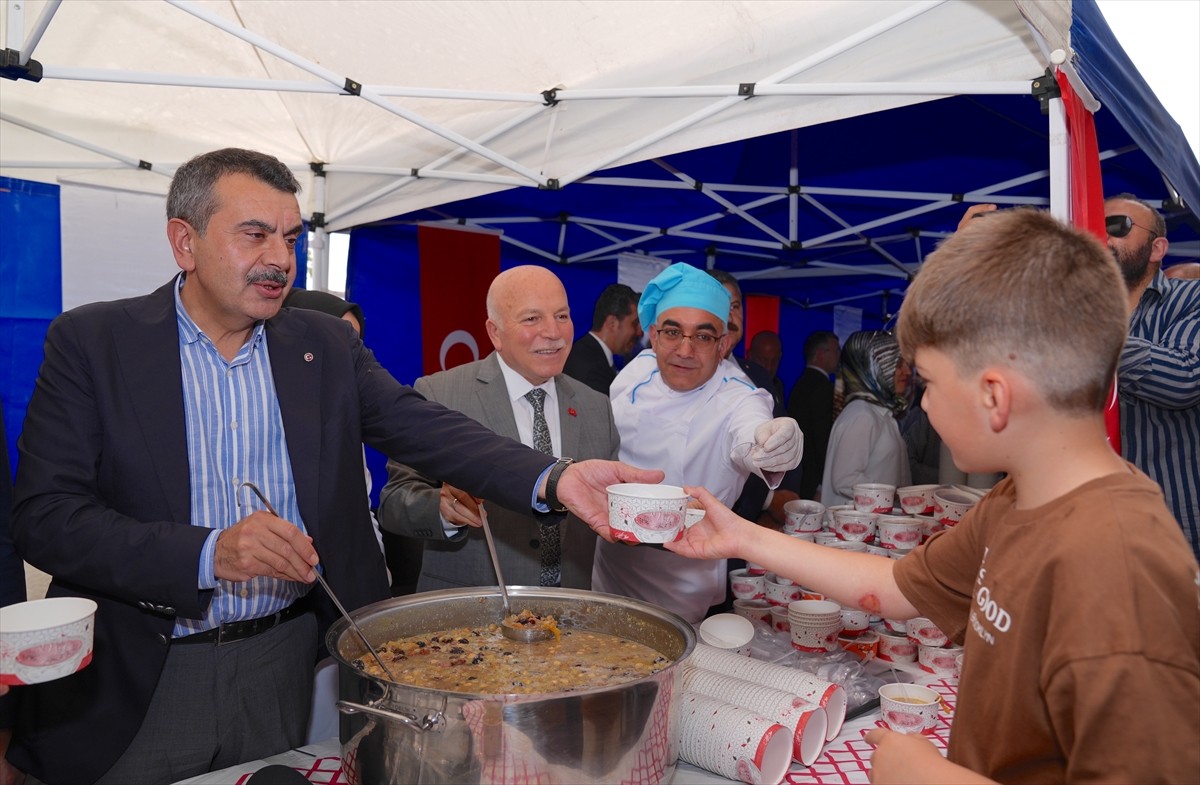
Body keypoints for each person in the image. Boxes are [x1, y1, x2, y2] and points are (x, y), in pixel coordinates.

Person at [5, 148, 659, 785]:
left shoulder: (322, 346)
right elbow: (45, 517)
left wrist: (554, 477)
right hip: (142, 675)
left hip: (279, 667)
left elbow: (426, 427)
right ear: (185, 242)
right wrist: (207, 553)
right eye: (255, 235)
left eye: (290, 238)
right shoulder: (94, 343)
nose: (279, 259)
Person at [667, 208, 1200, 784]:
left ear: (994, 395)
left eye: (930, 381)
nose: (922, 402)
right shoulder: (1016, 500)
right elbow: (896, 587)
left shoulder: (1120, 566)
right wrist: (742, 536)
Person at [377, 265, 619, 591]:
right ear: (495, 332)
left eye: (562, 316)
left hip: (570, 609)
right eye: (532, 318)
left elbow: (611, 505)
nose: (554, 332)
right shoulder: (440, 394)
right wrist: (442, 509)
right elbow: (394, 501)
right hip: (473, 607)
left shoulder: (596, 406)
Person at [591, 263, 802, 623]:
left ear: (723, 345)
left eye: (703, 337)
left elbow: (750, 435)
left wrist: (771, 444)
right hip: (610, 570)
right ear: (653, 336)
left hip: (683, 587)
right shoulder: (636, 371)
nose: (684, 350)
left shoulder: (739, 397)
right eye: (673, 332)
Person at [1104, 194, 1200, 559]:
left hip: (1173, 518)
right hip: (1089, 516)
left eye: (1117, 226)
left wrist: (1091, 328)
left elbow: (1183, 379)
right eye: (1093, 226)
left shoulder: (1191, 298)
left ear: (1157, 248)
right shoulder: (1067, 313)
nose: (1102, 237)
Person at [820, 330, 912, 507]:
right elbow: (845, 479)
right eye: (898, 364)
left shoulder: (877, 413)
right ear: (873, 368)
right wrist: (895, 494)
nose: (907, 371)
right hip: (859, 523)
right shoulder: (862, 415)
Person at [787, 330, 840, 499]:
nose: (839, 355)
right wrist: (823, 482)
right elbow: (822, 437)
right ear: (820, 354)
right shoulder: (822, 388)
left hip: (798, 471)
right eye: (836, 350)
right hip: (813, 476)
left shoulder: (800, 383)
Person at [562, 283, 642, 394]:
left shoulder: (584, 353)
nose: (640, 333)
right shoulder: (592, 369)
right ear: (612, 323)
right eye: (635, 323)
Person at [746, 330, 786, 412]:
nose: (769, 367)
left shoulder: (777, 385)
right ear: (750, 355)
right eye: (763, 360)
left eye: (775, 360)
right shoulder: (741, 385)